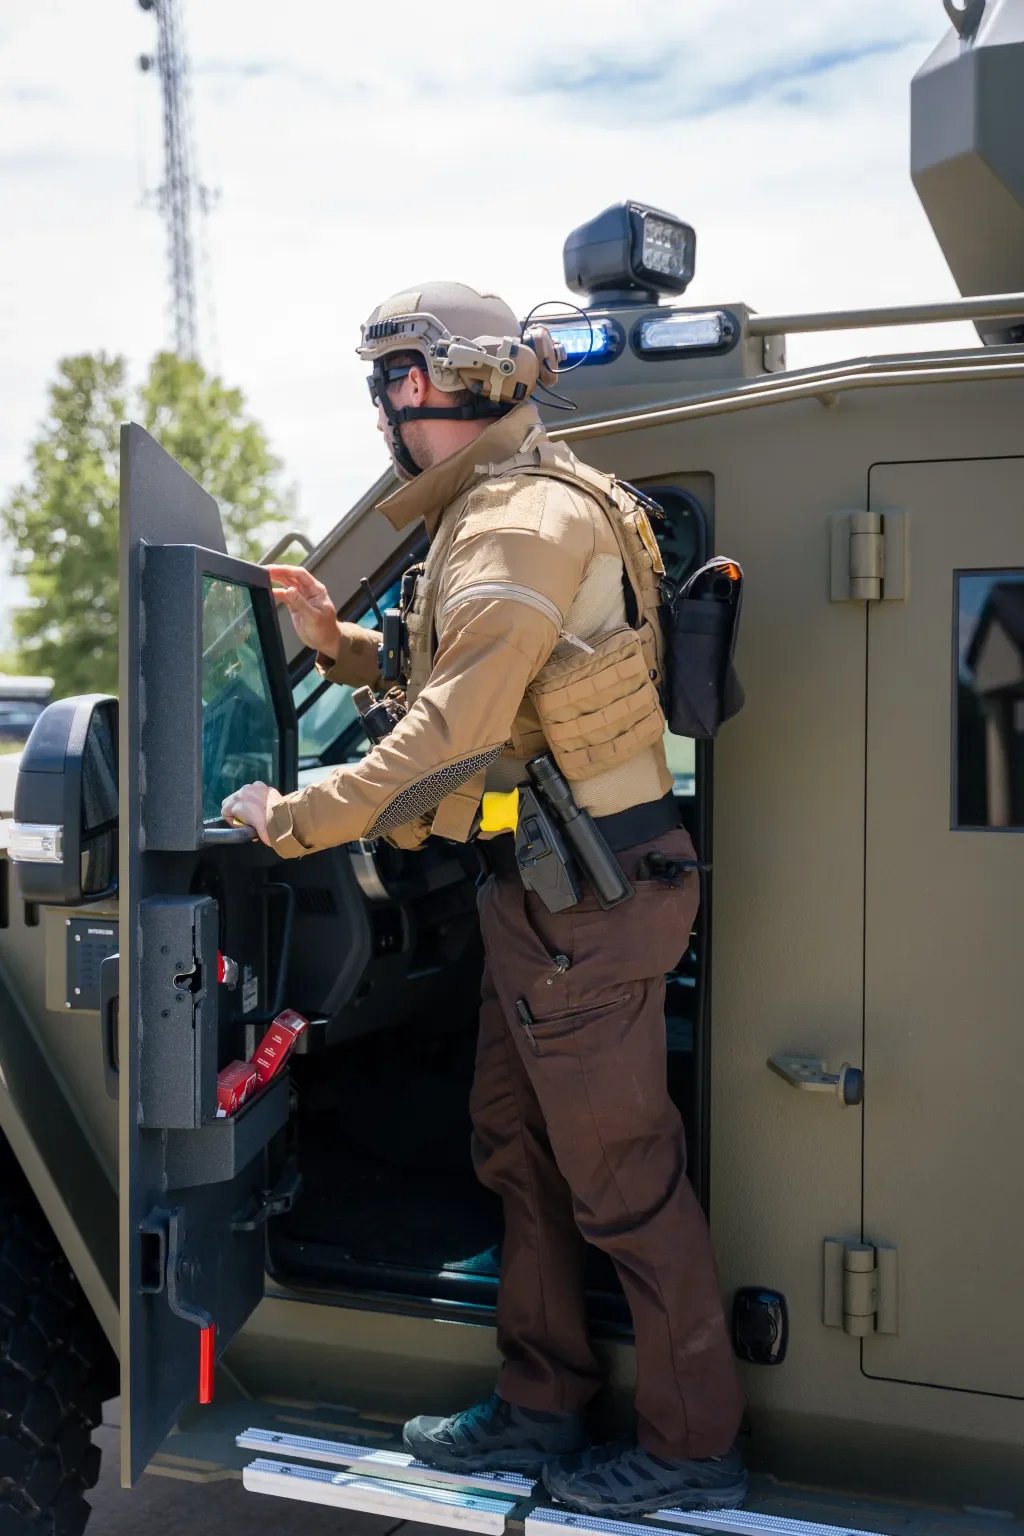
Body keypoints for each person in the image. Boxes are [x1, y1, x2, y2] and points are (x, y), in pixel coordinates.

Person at [223, 282, 746, 1516]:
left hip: (588, 899)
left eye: (392, 383)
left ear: (435, 383)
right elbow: (472, 677)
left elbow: (448, 739)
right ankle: (539, 1404)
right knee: (518, 1153)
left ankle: (690, 1446)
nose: (384, 412)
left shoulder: (515, 520)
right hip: (542, 890)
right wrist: (340, 646)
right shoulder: (502, 508)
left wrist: (290, 818)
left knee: (621, 1181)